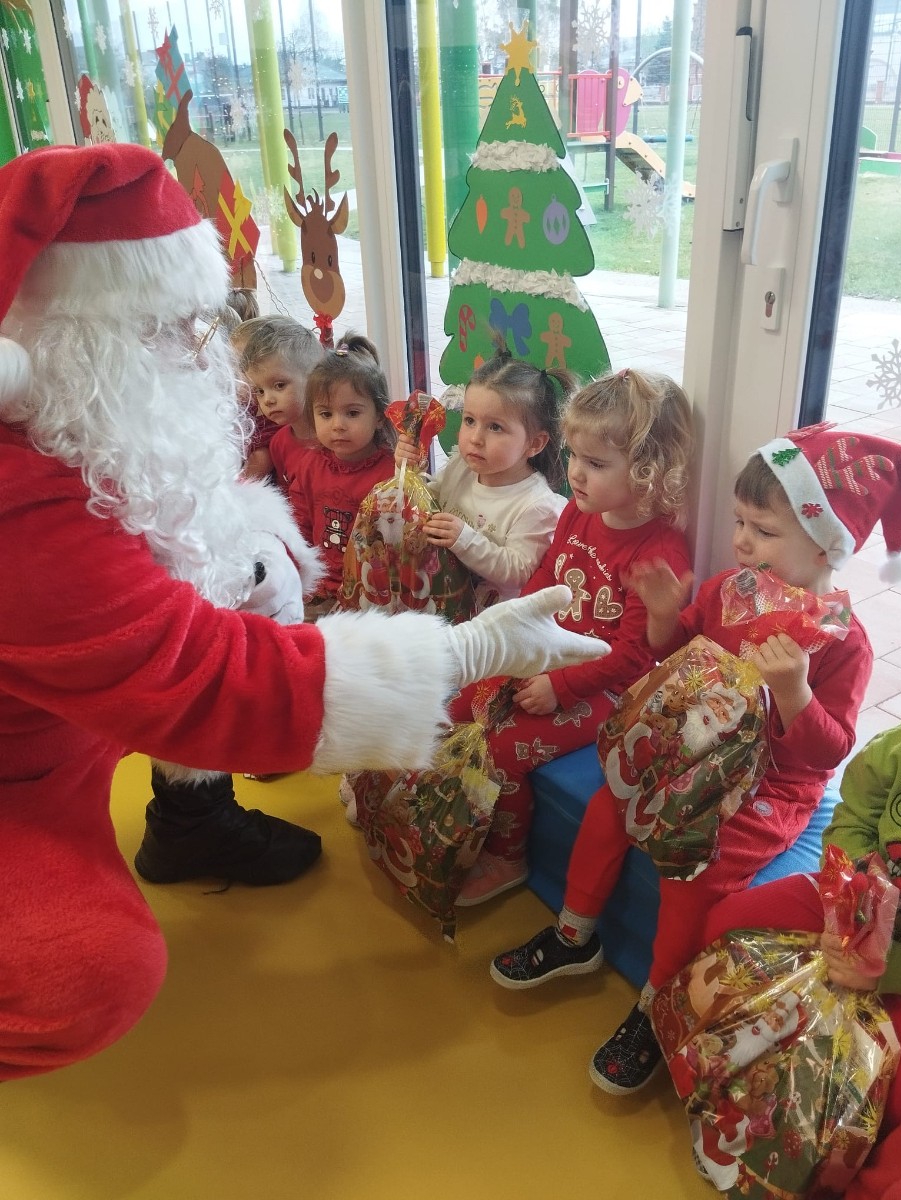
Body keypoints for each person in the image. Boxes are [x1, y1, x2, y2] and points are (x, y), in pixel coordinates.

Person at [0, 142, 607, 1079]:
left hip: (54, 737)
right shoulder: (23, 507)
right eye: (172, 330)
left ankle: (189, 819)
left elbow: (181, 578)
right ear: (80, 340)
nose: (200, 355)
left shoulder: (67, 423)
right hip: (23, 771)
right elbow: (199, 673)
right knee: (86, 969)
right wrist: (467, 652)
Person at [490, 422, 901, 1096]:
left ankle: (657, 1003)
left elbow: (829, 750)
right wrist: (663, 615)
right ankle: (575, 935)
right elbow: (669, 651)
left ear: (825, 543)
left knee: (695, 864)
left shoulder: (841, 640)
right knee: (612, 805)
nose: (741, 541)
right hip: (690, 751)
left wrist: (795, 691)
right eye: (740, 522)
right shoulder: (728, 591)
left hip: (773, 784)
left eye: (764, 531)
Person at [450, 368, 695, 905]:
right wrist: (515, 630)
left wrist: (560, 687)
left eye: (597, 463)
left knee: (504, 749)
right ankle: (453, 821)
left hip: (604, 690)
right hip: (546, 654)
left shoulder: (659, 554)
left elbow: (632, 658)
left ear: (649, 471)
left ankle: (507, 858)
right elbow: (546, 576)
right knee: (461, 704)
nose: (576, 473)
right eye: (575, 456)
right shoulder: (577, 513)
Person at [700, 724, 901, 1200]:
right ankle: (725, 1088)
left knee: (883, 1084)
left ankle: (800, 1151)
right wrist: (850, 899)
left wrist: (885, 969)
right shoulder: (896, 748)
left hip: (894, 963)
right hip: (857, 903)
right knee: (729, 924)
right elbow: (856, 813)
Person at [395, 353, 573, 609]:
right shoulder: (462, 467)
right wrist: (407, 471)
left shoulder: (539, 506)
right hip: (441, 606)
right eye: (469, 420)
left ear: (535, 443)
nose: (475, 438)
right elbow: (428, 504)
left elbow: (519, 572)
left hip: (490, 624)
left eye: (495, 427)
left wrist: (464, 540)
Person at [290, 335, 397, 617]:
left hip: (372, 592)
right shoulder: (309, 465)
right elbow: (299, 524)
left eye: (352, 413)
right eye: (326, 414)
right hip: (320, 587)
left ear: (379, 416)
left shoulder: (391, 472)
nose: (338, 425)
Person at [239, 315, 324, 490]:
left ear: (313, 377)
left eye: (279, 385)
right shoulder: (279, 443)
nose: (268, 400)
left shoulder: (334, 436)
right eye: (260, 391)